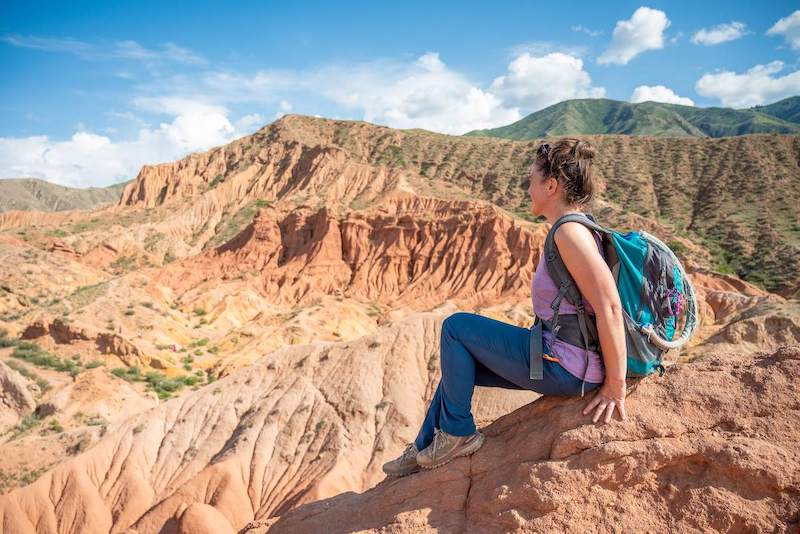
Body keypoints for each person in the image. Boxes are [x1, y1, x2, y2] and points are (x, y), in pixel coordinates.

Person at [383, 138, 628, 477]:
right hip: (561, 356)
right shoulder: (574, 227)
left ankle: (457, 434)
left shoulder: (570, 233)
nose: (527, 188)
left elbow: (610, 308)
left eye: (532, 180)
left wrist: (615, 387)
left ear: (551, 185)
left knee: (455, 327)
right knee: (459, 368)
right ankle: (424, 446)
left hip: (568, 367)